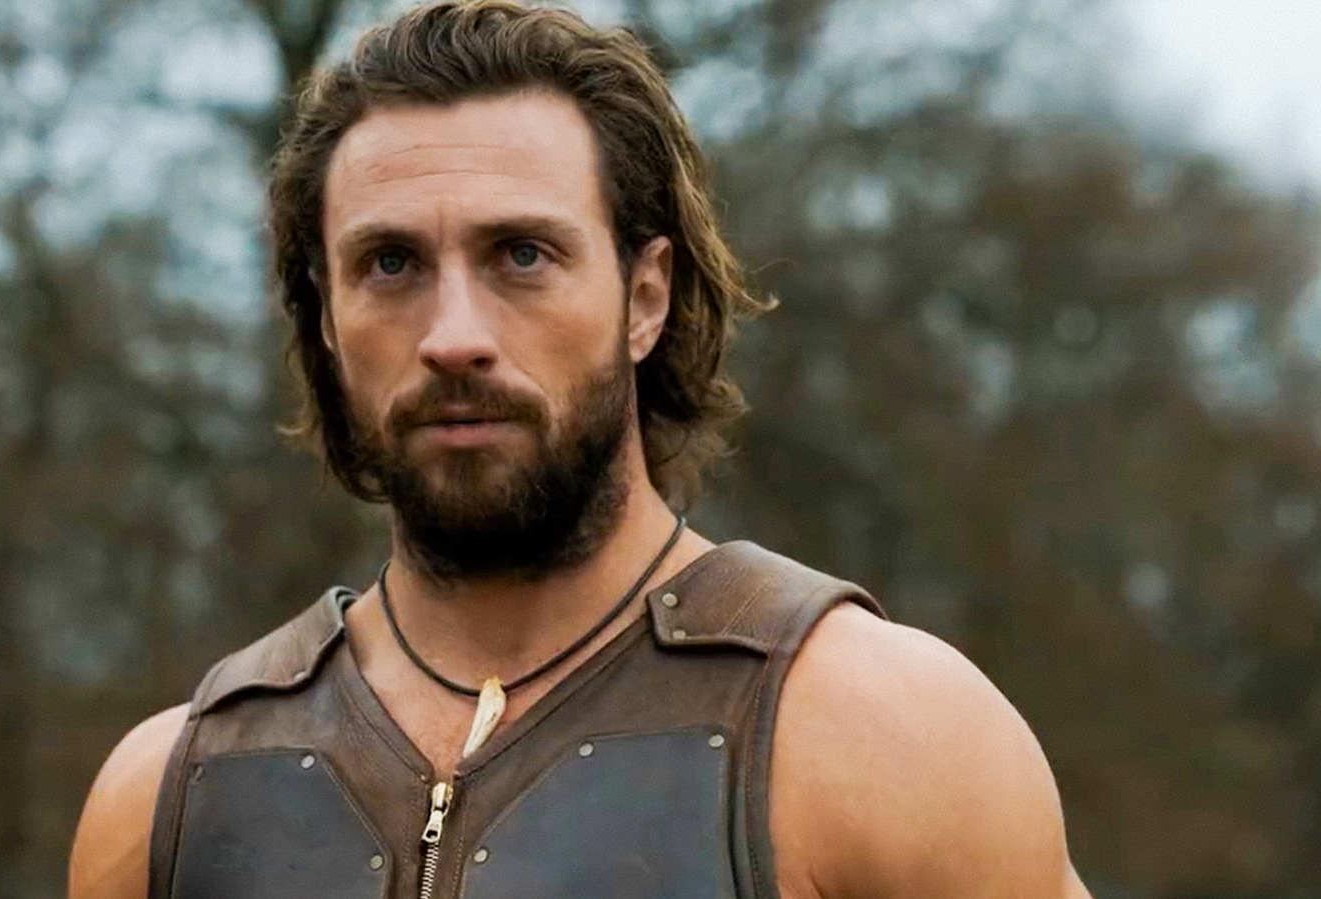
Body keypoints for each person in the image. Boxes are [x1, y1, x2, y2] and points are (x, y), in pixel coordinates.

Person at [69, 2, 1092, 897]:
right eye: (389, 263)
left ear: (644, 296)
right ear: (327, 317)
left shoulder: (884, 735)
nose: (453, 335)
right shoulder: (171, 797)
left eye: (521, 253)